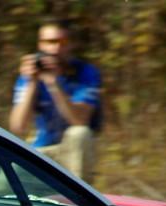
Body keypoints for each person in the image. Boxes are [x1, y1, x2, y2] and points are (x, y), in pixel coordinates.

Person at [9, 19, 102, 183]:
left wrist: (53, 83)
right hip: (42, 150)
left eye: (62, 42)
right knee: (1, 184)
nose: (56, 48)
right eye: (50, 42)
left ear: (71, 45)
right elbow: (18, 127)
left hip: (74, 152)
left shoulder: (85, 73)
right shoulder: (30, 75)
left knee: (80, 133)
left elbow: (79, 121)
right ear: (40, 44)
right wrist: (32, 83)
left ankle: (80, 200)